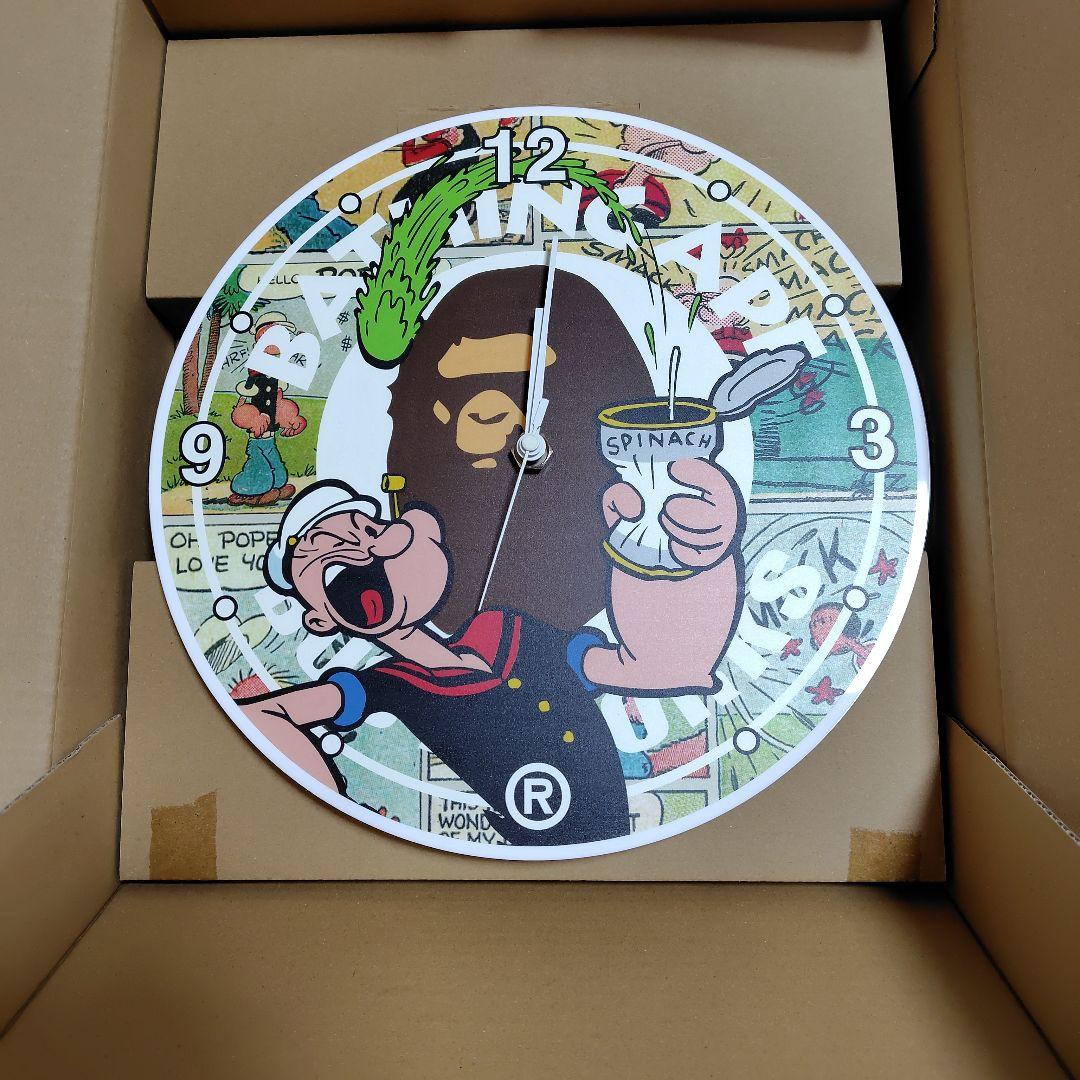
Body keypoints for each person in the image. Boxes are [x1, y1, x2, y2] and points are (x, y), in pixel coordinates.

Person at [237, 453, 744, 846]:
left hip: (616, 838)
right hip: (533, 854)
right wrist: (337, 806)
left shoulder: (505, 628)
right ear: (321, 619)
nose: (372, 551)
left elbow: (636, 668)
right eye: (341, 572)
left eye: (371, 531)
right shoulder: (394, 685)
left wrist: (699, 566)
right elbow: (262, 717)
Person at [228, 311, 307, 507]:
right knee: (258, 466)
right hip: (257, 438)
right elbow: (241, 405)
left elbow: (279, 402)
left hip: (270, 437)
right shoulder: (254, 376)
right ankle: (244, 491)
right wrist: (252, 419)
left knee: (276, 466)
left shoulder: (276, 376)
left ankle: (277, 487)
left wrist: (291, 418)